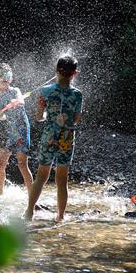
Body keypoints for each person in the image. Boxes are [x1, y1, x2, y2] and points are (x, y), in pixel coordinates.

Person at [24, 55, 83, 222]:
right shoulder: (77, 95)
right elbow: (75, 120)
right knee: (62, 180)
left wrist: (46, 115)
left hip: (49, 135)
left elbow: (38, 117)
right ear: (75, 73)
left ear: (56, 70)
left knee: (41, 176)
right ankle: (60, 217)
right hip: (67, 138)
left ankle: (29, 212)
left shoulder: (46, 91)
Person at [0, 64, 34, 196]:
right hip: (10, 132)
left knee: (22, 164)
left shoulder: (15, 90)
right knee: (0, 163)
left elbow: (22, 102)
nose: (5, 78)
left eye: (8, 75)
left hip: (22, 129)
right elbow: (4, 115)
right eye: (1, 75)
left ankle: (33, 198)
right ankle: (0, 195)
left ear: (11, 78)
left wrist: (15, 101)